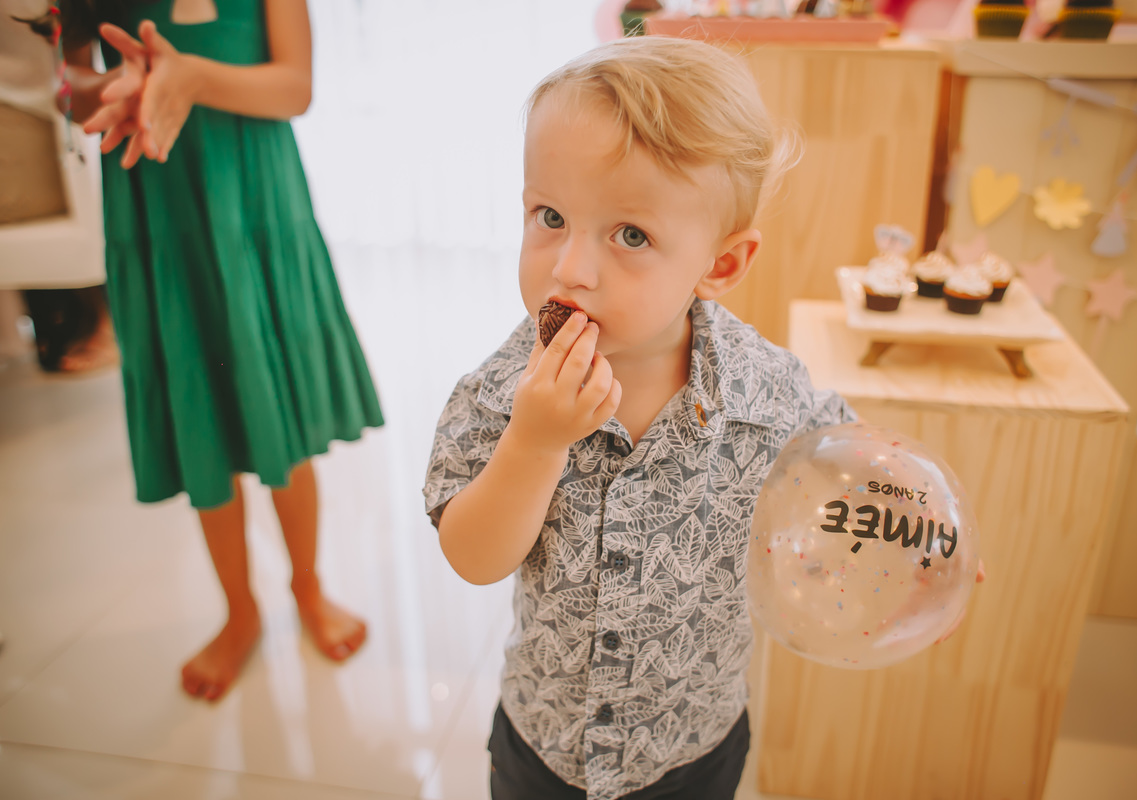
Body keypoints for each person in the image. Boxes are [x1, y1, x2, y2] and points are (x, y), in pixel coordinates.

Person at [423, 36, 857, 800]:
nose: (570, 269)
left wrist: (916, 533)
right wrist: (533, 443)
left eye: (630, 235)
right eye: (549, 215)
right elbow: (472, 555)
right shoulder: (502, 389)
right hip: (547, 748)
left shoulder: (763, 389)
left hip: (693, 748)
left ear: (719, 266)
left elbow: (841, 467)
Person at [45, 0, 384, 702]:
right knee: (200, 408)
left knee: (278, 405)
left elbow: (295, 86)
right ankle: (240, 610)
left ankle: (307, 588)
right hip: (158, 199)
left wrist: (192, 75)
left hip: (256, 198)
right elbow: (71, 87)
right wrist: (114, 90)